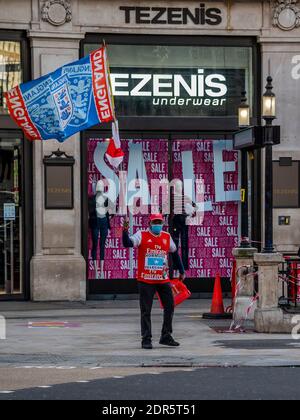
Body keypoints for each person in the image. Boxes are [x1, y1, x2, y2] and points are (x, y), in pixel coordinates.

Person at [122, 213, 186, 349]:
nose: (157, 225)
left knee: (170, 306)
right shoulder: (142, 235)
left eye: (159, 222)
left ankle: (166, 336)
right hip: (146, 280)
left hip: (162, 279)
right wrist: (125, 230)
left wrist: (181, 271)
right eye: (154, 222)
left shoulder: (166, 236)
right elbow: (127, 243)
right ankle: (146, 338)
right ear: (149, 223)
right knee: (146, 310)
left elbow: (174, 253)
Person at [88, 180, 113, 279]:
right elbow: (89, 212)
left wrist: (108, 216)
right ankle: (96, 272)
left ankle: (101, 271)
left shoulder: (106, 199)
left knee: (101, 245)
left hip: (102, 222)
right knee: (96, 245)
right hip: (96, 222)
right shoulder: (91, 199)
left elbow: (111, 212)